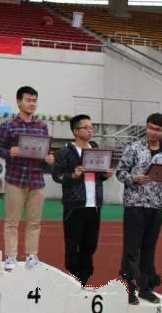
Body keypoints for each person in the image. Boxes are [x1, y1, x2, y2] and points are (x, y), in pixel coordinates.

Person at [116, 113, 162, 305]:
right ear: (146, 127)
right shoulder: (133, 148)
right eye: (150, 128)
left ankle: (145, 289)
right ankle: (128, 289)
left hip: (156, 206)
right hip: (135, 205)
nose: (153, 132)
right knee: (131, 250)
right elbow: (120, 172)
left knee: (149, 249)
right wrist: (133, 178)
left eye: (157, 130)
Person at [0, 86, 54, 270]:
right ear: (19, 102)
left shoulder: (42, 127)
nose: (32, 104)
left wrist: (49, 159)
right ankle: (11, 256)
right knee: (12, 221)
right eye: (28, 100)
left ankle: (31, 255)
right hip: (15, 179)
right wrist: (8, 152)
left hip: (37, 180)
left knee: (34, 222)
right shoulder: (8, 126)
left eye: (34, 100)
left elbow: (47, 152)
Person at [52, 115, 114, 288]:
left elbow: (100, 175)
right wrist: (73, 175)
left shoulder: (96, 149)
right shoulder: (66, 151)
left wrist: (105, 174)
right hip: (75, 205)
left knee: (90, 245)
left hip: (94, 205)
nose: (90, 130)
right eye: (86, 127)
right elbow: (57, 175)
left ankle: (85, 281)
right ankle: (76, 277)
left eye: (91, 127)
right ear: (75, 131)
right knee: (73, 246)